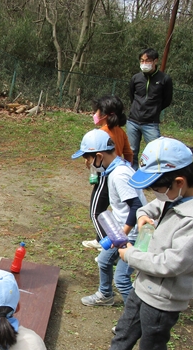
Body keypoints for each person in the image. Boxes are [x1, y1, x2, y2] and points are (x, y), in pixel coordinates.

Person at [80, 137, 193, 350]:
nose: (154, 193)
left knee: (152, 346)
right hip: (143, 286)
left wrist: (131, 255)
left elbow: (173, 264)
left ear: (179, 182)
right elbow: (151, 206)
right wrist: (142, 216)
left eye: (157, 187)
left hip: (164, 298)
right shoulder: (175, 198)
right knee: (125, 329)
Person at [72, 129, 146, 306]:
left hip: (135, 235)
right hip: (122, 232)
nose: (87, 163)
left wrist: (122, 236)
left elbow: (137, 207)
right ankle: (105, 295)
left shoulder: (119, 174)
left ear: (99, 156)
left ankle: (136, 318)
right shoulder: (114, 169)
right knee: (104, 261)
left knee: (121, 279)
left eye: (88, 158)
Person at [82, 95, 134, 250]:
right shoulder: (120, 131)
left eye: (96, 111)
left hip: (105, 175)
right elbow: (129, 153)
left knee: (96, 212)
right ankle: (101, 238)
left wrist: (88, 161)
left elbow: (92, 155)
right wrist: (128, 168)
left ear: (104, 114)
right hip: (117, 173)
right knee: (104, 210)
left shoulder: (101, 133)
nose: (95, 114)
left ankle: (106, 244)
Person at [126, 48, 173, 168]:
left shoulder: (165, 79)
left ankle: (152, 176)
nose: (144, 63)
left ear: (155, 61)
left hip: (151, 123)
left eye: (147, 60)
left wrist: (153, 110)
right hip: (133, 121)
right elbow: (132, 96)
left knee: (155, 152)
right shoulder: (136, 78)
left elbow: (167, 100)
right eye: (142, 60)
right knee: (131, 151)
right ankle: (132, 174)